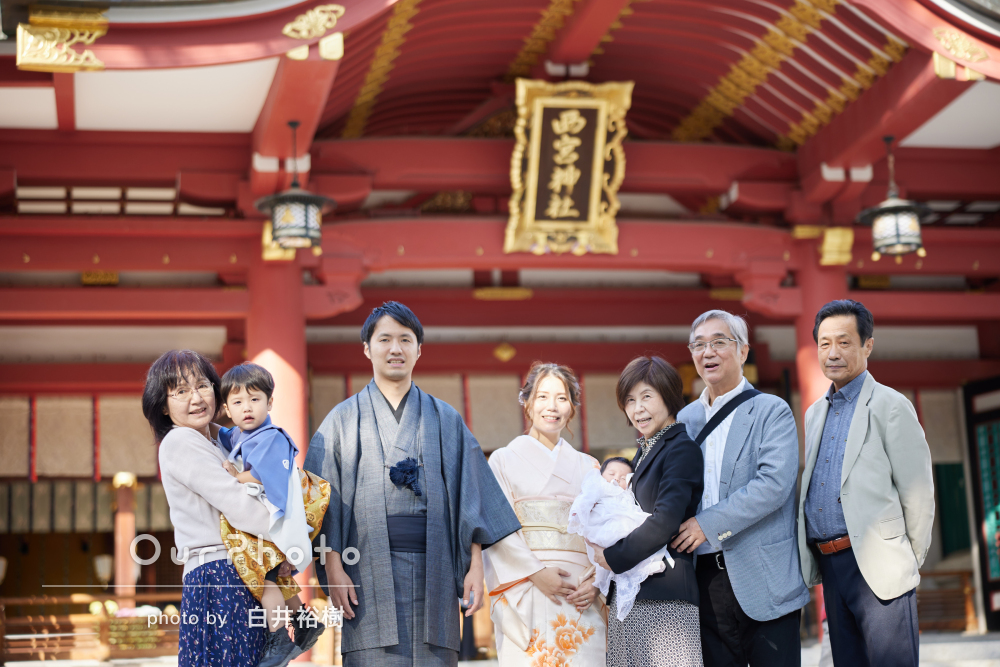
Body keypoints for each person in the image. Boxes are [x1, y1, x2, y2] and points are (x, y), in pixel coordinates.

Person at [303, 301, 522, 666]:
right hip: (365, 571)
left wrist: (475, 567)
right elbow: (322, 502)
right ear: (367, 349)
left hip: (434, 570)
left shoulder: (445, 419)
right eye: (385, 339)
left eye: (405, 340)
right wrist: (333, 567)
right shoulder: (343, 420)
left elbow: (471, 499)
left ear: (419, 350)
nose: (395, 349)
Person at [797, 300, 934, 667]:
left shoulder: (891, 405)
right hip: (831, 565)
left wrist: (904, 560)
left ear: (867, 345)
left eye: (844, 342)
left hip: (880, 564)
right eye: (824, 344)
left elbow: (918, 493)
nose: (833, 353)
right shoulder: (814, 413)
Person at [672, 310, 809, 667]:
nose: (708, 352)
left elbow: (773, 485)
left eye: (719, 342)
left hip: (764, 576)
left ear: (743, 351)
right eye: (699, 345)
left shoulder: (771, 411)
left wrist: (706, 524)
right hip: (703, 579)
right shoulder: (685, 420)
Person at [142, 350, 275, 667]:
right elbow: (239, 505)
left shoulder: (219, 441)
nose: (196, 398)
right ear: (163, 406)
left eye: (202, 386)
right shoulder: (180, 441)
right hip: (219, 574)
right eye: (181, 391)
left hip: (239, 570)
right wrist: (294, 532)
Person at [483, 362, 605, 667]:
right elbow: (497, 528)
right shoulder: (502, 460)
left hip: (580, 591)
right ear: (526, 402)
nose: (552, 407)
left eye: (562, 398)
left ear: (573, 406)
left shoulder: (589, 466)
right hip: (526, 587)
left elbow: (605, 532)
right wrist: (537, 573)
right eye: (542, 397)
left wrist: (598, 581)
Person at [588, 356, 705, 667]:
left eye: (646, 397)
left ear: (668, 395)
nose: (637, 409)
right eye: (629, 400)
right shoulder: (643, 451)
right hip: (632, 594)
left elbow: (665, 520)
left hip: (664, 595)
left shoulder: (681, 448)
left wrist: (612, 557)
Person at [216, 362, 330, 666]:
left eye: (255, 399)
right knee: (274, 576)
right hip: (268, 517)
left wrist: (235, 476)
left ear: (269, 403)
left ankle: (279, 638)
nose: (247, 407)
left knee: (263, 580)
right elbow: (223, 435)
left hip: (275, 517)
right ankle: (304, 621)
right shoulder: (244, 434)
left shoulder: (270, 437)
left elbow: (264, 476)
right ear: (227, 409)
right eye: (237, 402)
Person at [569, 457, 676, 622]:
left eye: (623, 477)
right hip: (603, 523)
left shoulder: (629, 494)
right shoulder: (599, 486)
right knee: (622, 537)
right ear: (601, 475)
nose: (616, 479)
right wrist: (579, 514)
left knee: (637, 532)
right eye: (611, 474)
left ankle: (646, 565)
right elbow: (586, 498)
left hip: (624, 522)